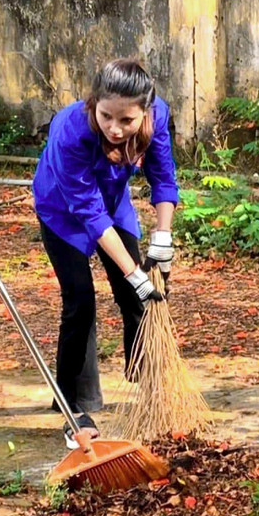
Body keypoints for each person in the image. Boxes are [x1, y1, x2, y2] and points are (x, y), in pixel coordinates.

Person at [31, 58, 180, 447]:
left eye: (126, 121)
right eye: (106, 117)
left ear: (144, 113)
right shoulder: (71, 131)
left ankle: (148, 382)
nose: (115, 129)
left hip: (113, 204)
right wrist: (133, 270)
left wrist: (162, 236)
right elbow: (88, 212)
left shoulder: (157, 116)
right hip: (63, 210)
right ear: (93, 103)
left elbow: (163, 177)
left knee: (137, 298)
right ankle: (73, 407)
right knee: (80, 301)